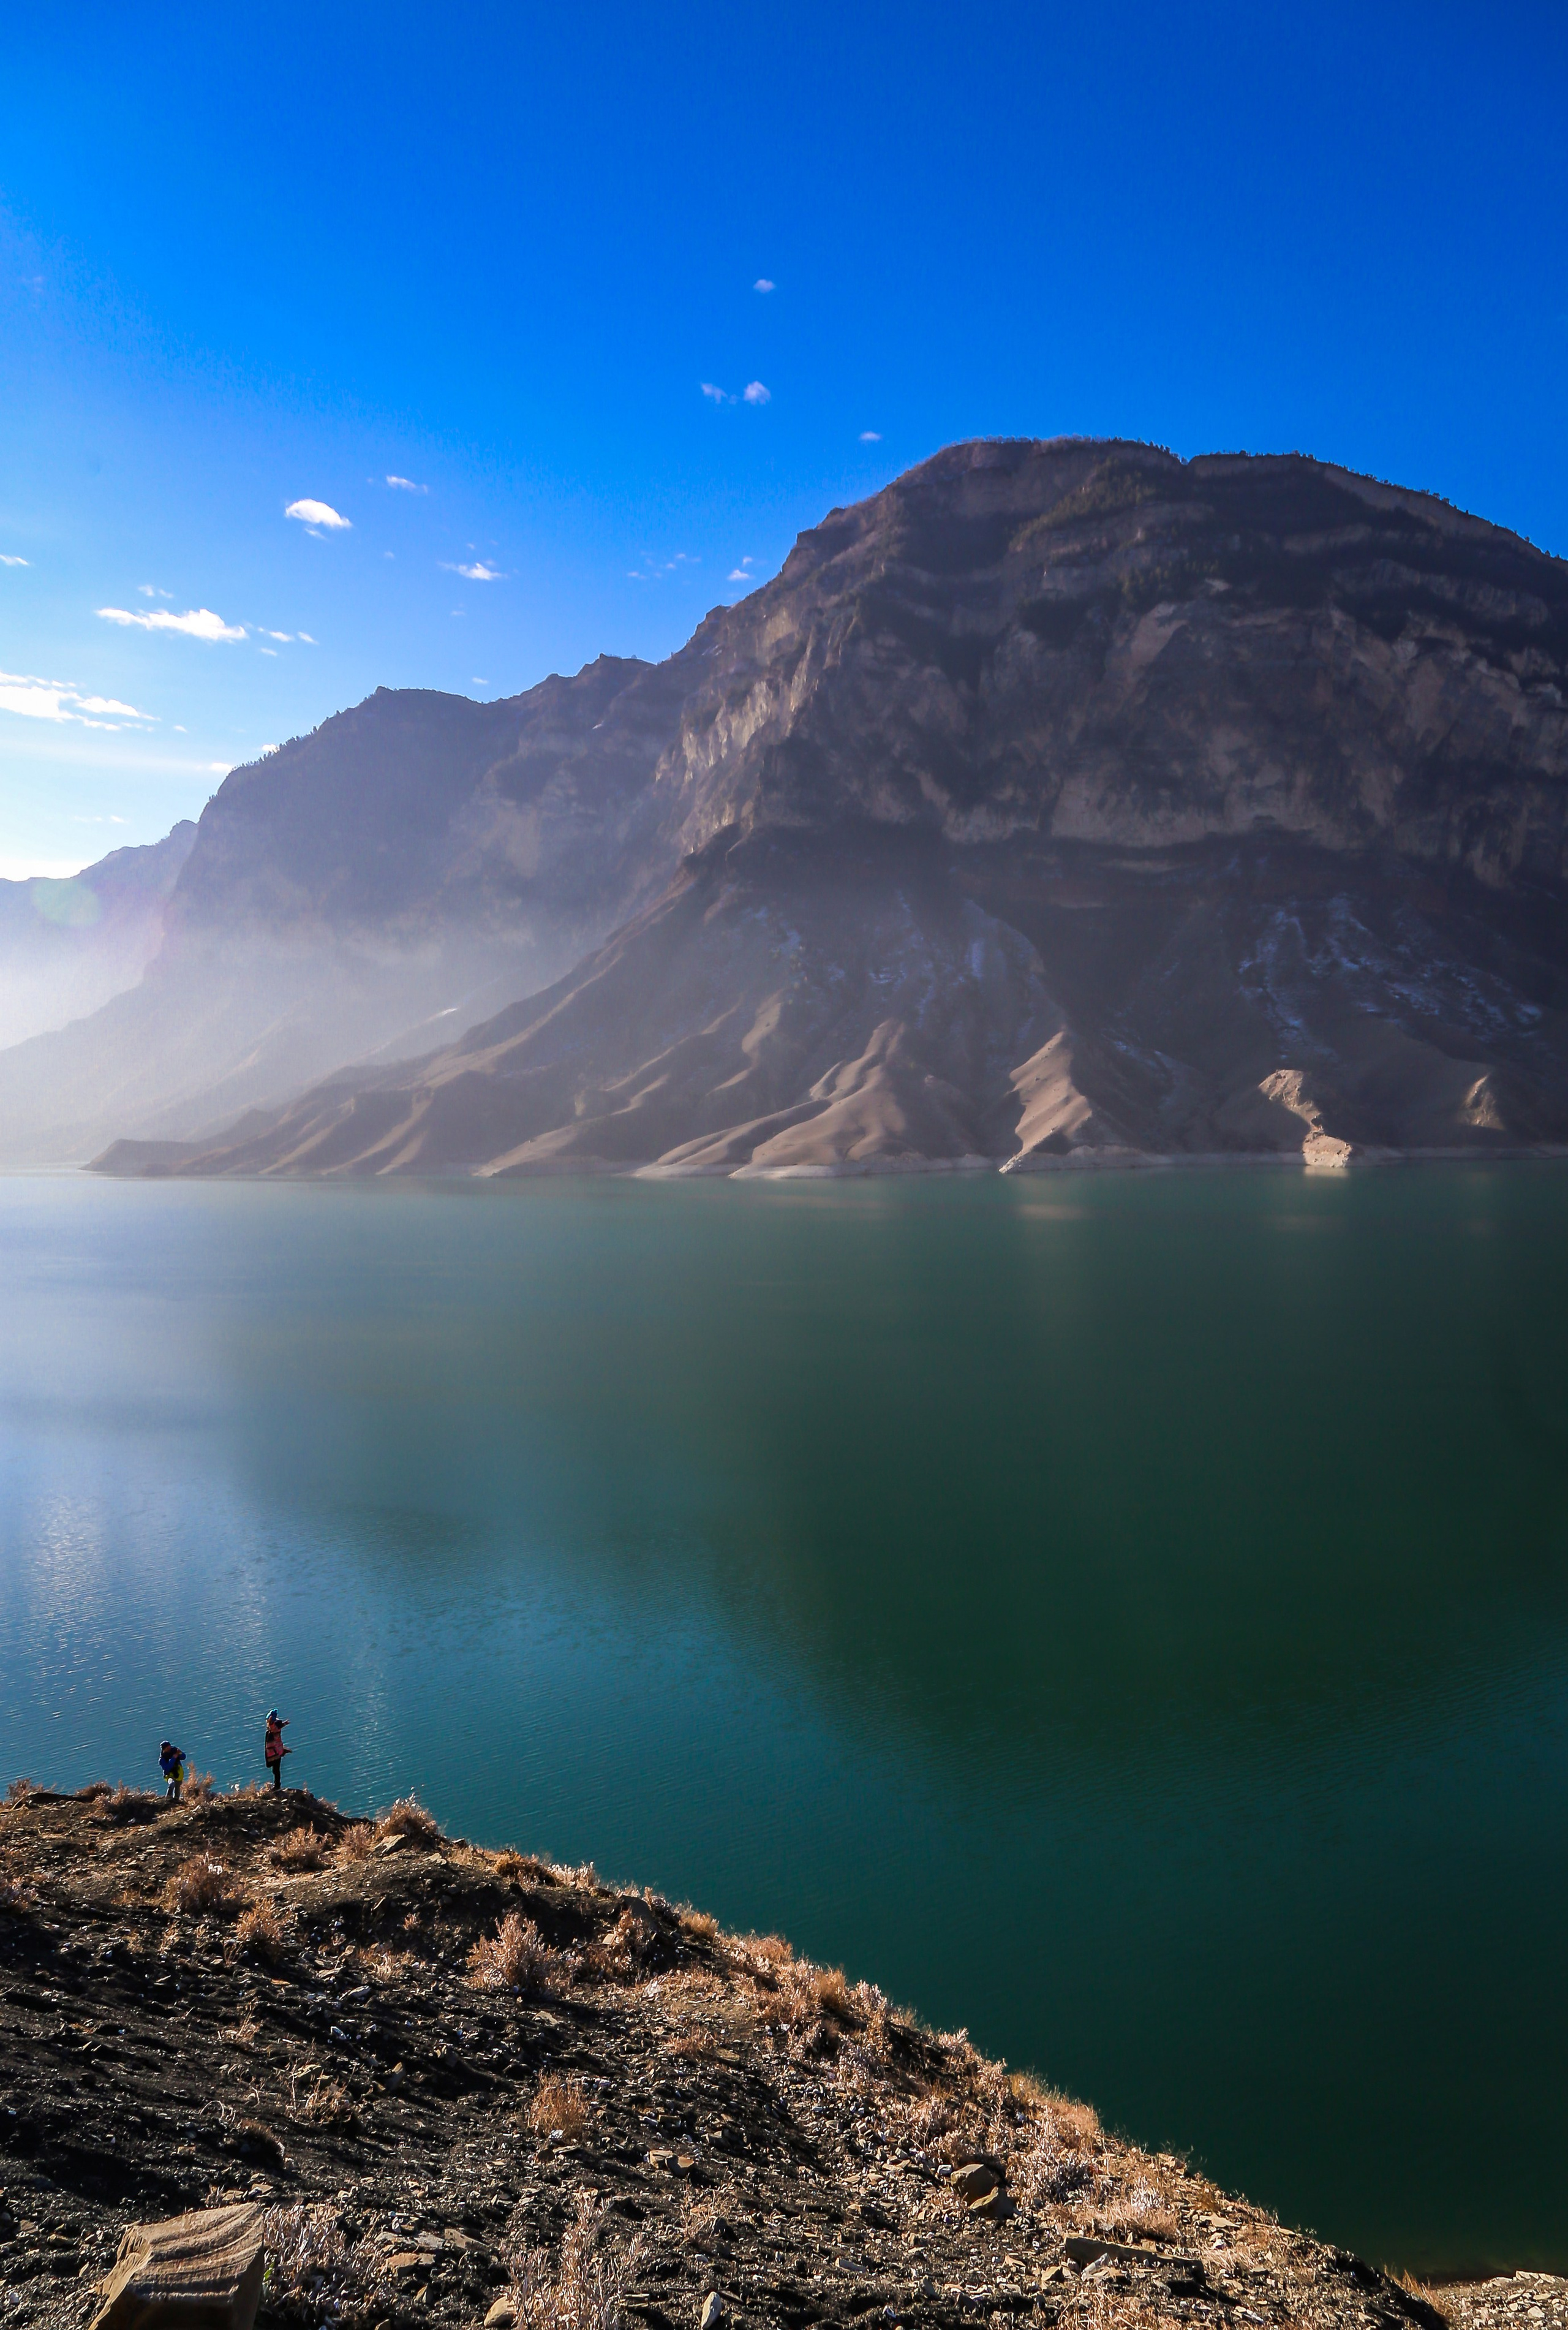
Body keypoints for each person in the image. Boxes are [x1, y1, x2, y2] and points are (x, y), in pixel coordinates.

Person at [264, 1711, 290, 1792]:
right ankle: (277, 1784)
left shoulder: (273, 1728)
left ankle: (277, 1785)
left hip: (275, 1752)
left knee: (276, 1770)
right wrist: (284, 1724)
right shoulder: (276, 1728)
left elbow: (273, 1726)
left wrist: (271, 1721)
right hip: (277, 1751)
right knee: (276, 1769)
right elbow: (278, 1726)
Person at [159, 1740, 186, 1804]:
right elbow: (167, 1769)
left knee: (178, 1789)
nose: (169, 1749)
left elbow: (184, 1757)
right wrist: (173, 1758)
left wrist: (180, 1753)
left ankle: (176, 1802)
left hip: (179, 1774)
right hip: (169, 1775)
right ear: (164, 1749)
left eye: (170, 1747)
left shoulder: (174, 1751)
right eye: (167, 1748)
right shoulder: (162, 1760)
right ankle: (167, 1800)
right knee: (172, 1784)